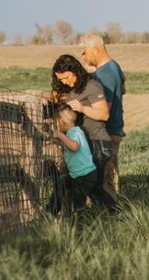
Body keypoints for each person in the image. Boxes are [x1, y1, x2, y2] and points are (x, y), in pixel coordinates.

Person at [46, 54, 113, 190]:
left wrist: (82, 108)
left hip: (96, 142)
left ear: (75, 71)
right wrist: (45, 100)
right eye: (60, 79)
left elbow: (104, 114)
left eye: (66, 77)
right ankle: (83, 211)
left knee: (97, 189)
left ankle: (113, 211)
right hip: (78, 143)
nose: (64, 82)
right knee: (78, 187)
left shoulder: (92, 87)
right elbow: (50, 96)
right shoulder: (66, 88)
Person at [78, 33, 126, 199]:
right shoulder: (113, 66)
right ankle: (114, 212)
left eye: (84, 51)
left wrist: (80, 106)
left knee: (105, 180)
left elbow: (103, 108)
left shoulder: (104, 74)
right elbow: (123, 91)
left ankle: (111, 217)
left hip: (106, 132)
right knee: (110, 176)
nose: (82, 55)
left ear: (96, 50)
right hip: (115, 129)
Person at [51, 105, 115, 211]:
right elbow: (70, 147)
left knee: (78, 201)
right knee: (97, 194)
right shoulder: (76, 131)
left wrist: (60, 135)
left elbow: (74, 147)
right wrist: (59, 141)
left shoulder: (73, 132)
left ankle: (82, 222)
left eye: (56, 123)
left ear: (61, 122)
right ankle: (112, 209)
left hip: (83, 175)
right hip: (87, 173)